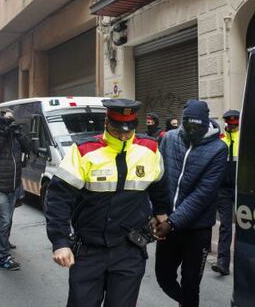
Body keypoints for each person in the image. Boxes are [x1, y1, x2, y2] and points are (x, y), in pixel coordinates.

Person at [46, 98, 168, 307]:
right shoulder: (84, 151)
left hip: (129, 250)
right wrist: (60, 242)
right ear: (106, 123)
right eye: (117, 130)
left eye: (128, 131)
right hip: (89, 250)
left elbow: (160, 187)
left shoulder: (150, 150)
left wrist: (162, 215)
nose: (122, 135)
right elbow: (59, 197)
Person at [153, 99, 228, 307]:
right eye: (188, 125)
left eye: (197, 126)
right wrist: (156, 213)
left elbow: (203, 193)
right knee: (164, 277)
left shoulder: (218, 149)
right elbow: (158, 178)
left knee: (191, 283)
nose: (191, 130)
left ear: (205, 124)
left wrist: (172, 223)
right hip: (167, 222)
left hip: (197, 229)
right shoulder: (168, 139)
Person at [0, 109, 31, 270]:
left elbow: (29, 148)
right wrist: (2, 132)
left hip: (13, 187)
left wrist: (19, 133)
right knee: (4, 222)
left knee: (5, 222)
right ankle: (3, 258)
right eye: (7, 117)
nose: (10, 119)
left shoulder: (15, 136)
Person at [211, 110, 240, 276]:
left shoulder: (244, 139)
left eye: (235, 125)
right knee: (225, 226)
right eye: (230, 125)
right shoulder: (220, 140)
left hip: (240, 187)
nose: (232, 128)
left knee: (245, 226)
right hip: (223, 189)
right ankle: (223, 263)